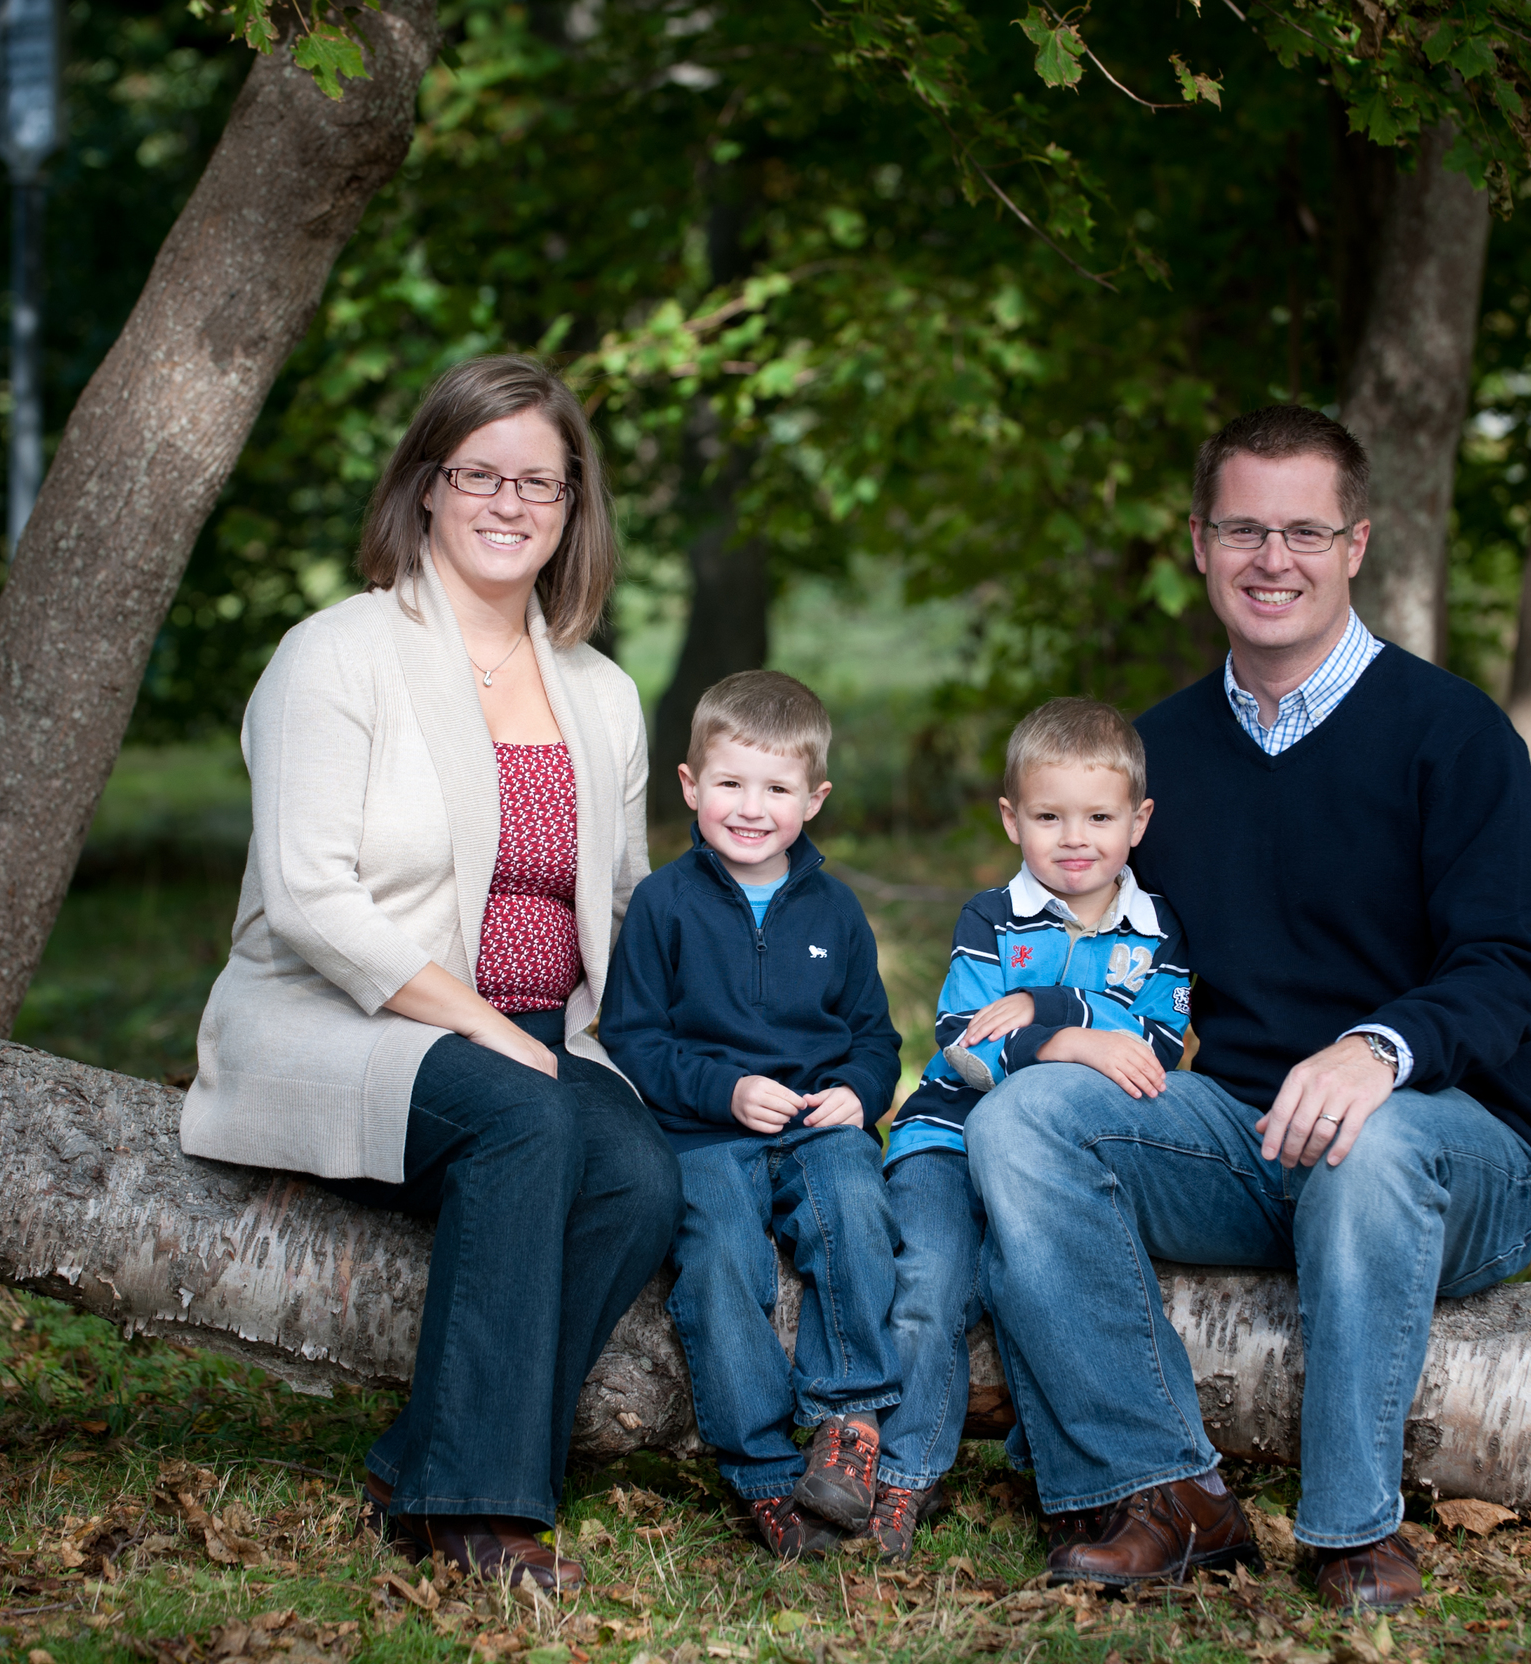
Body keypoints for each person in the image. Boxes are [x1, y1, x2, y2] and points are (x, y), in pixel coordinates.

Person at [969, 405, 1531, 1610]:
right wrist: (1052, 1033)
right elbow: (1086, 939)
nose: (1270, 557)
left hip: (1454, 1146)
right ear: (1198, 540)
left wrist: (1377, 1049)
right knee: (1022, 1122)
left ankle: (1350, 1531)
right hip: (1242, 1132)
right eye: (1243, 526)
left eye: (1303, 529)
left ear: (1356, 543)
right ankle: (1167, 1493)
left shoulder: (1452, 734)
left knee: (1368, 1130)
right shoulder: (1159, 755)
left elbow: (1506, 967)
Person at [180, 355, 683, 1593]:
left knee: (640, 1174)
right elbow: (309, 897)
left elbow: (620, 903)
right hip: (349, 1011)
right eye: (481, 475)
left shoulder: (601, 692)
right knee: (525, 1116)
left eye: (542, 483)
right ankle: (474, 1511)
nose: (510, 504)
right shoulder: (336, 654)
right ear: (424, 488)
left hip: (543, 1023)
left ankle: (424, 1451)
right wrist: (483, 1029)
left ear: (572, 509)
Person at [873, 697, 1193, 1562]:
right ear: (1013, 819)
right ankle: (904, 1477)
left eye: (1098, 816)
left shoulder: (1157, 934)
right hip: (946, 1140)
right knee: (930, 1283)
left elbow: (1155, 1046)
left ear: (1139, 822)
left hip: (1057, 1164)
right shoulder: (993, 918)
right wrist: (1076, 1040)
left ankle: (1066, 1479)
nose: (1073, 837)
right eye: (1048, 816)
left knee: (1035, 1280)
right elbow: (961, 1045)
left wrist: (1050, 1013)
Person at [599, 671, 905, 1560]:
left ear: (814, 799)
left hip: (816, 1124)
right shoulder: (664, 904)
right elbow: (635, 1039)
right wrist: (722, 1091)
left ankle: (848, 1421)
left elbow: (874, 1036)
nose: (750, 807)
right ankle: (764, 1469)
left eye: (776, 789)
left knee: (854, 1203)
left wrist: (861, 1089)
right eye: (729, 784)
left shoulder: (836, 911)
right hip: (703, 1133)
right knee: (721, 1256)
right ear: (690, 787)